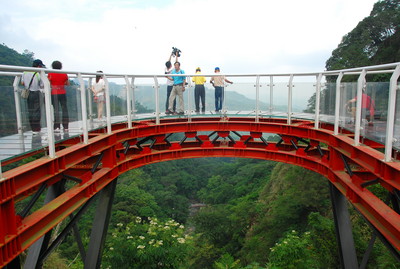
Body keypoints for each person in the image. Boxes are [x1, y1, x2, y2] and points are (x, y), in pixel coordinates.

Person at [21, 59, 45, 135]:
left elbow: (22, 83)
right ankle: (37, 129)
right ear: (39, 66)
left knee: (30, 111)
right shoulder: (38, 74)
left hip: (29, 94)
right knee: (37, 111)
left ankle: (33, 129)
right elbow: (41, 85)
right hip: (36, 93)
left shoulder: (24, 72)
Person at [48, 61, 70, 132]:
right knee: (64, 109)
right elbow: (67, 83)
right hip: (62, 92)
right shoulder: (64, 74)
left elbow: (49, 83)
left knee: (56, 110)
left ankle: (57, 126)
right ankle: (66, 126)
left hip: (54, 93)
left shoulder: (50, 74)